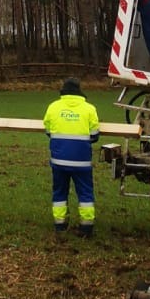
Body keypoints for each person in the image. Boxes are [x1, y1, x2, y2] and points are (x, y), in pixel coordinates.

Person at [42, 76, 101, 237]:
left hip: (59, 161)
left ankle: (60, 225)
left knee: (59, 192)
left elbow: (48, 131)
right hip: (82, 162)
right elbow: (94, 135)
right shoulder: (89, 109)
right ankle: (86, 227)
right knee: (85, 193)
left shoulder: (53, 107)